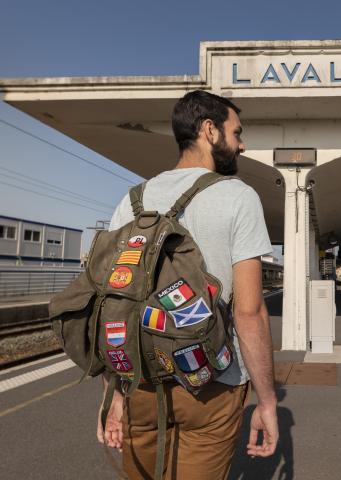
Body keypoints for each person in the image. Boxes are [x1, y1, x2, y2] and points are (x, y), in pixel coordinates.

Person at [97, 90, 279, 479]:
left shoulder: (131, 201)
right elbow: (249, 313)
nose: (242, 144)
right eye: (237, 132)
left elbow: (114, 308)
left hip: (141, 384)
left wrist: (114, 396)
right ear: (209, 131)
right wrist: (267, 402)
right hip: (212, 383)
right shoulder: (239, 197)